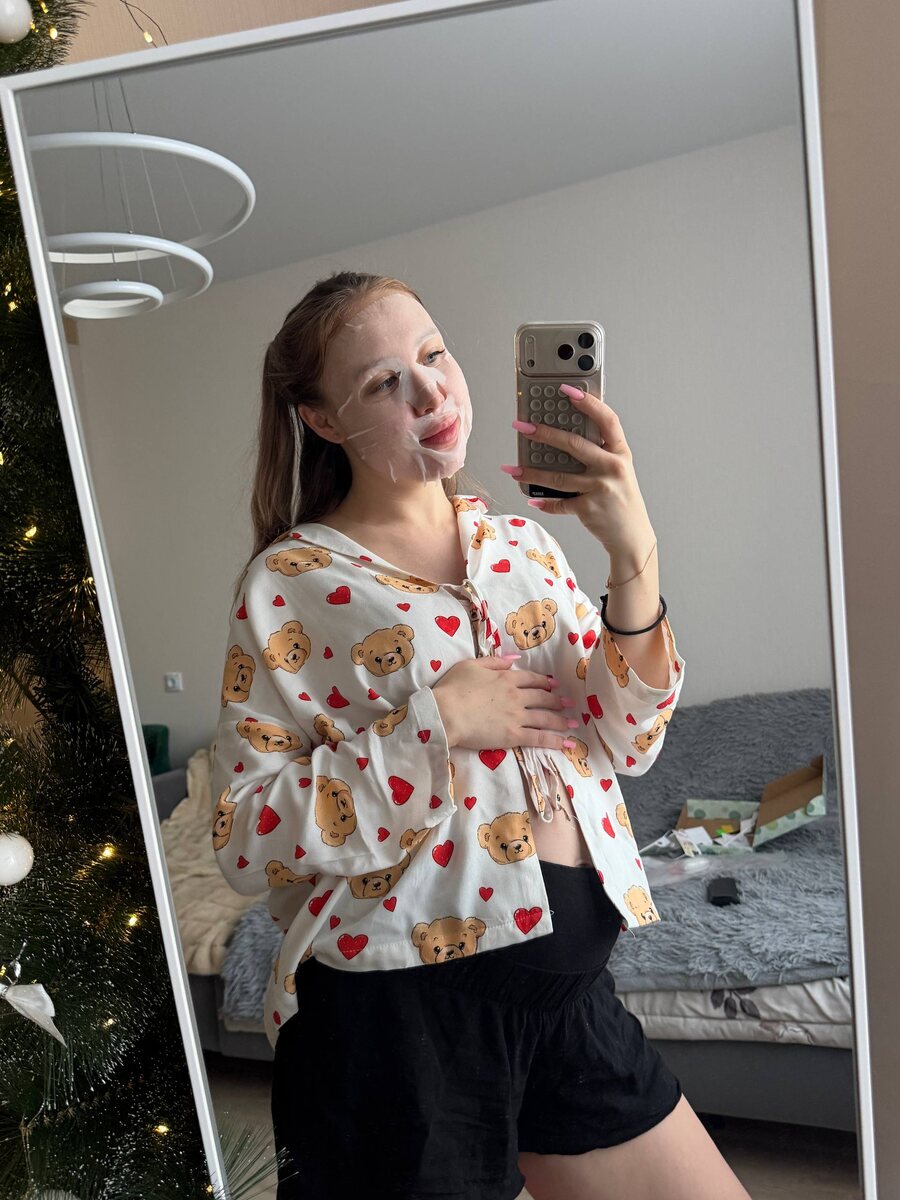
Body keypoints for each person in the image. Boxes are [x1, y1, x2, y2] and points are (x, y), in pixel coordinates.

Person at [211, 271, 752, 1200]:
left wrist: (634, 553)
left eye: (434, 355)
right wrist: (437, 725)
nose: (430, 393)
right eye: (383, 382)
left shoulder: (524, 546)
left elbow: (628, 741)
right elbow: (246, 836)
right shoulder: (288, 583)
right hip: (397, 1020)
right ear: (322, 419)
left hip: (568, 1001)